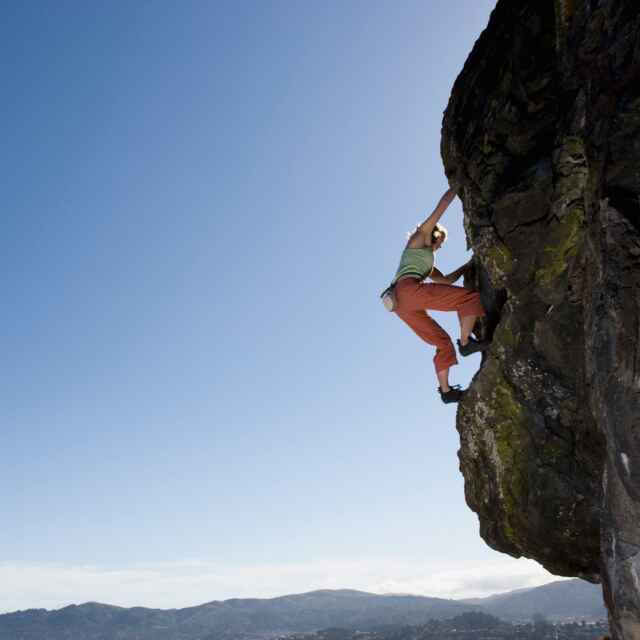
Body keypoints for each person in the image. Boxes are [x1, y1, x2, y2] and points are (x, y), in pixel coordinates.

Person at [391, 186, 489, 403]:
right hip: (408, 290)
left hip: (401, 304)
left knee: (442, 342)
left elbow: (447, 281)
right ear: (434, 235)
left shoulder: (426, 261)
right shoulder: (420, 237)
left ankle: (446, 392)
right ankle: (465, 343)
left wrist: (468, 265)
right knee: (469, 297)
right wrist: (458, 184)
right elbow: (442, 205)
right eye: (441, 241)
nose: (441, 246)